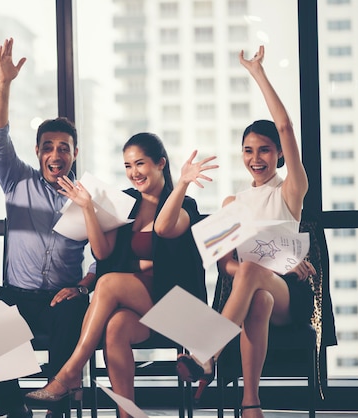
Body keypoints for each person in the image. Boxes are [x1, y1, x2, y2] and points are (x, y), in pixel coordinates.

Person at [25, 132, 218, 418]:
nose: (133, 173)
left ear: (160, 163)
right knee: (115, 328)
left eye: (140, 164)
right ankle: (127, 414)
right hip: (138, 309)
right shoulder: (125, 202)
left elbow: (164, 228)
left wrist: (184, 183)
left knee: (108, 282)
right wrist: (88, 208)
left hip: (176, 311)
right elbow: (103, 253)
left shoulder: (184, 206)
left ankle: (69, 373)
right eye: (128, 166)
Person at [176, 46, 316, 418]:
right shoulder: (230, 203)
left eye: (266, 151)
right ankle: (251, 403)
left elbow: (285, 127)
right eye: (249, 150)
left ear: (279, 155)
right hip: (260, 291)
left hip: (292, 297)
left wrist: (257, 73)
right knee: (256, 295)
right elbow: (227, 267)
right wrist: (273, 264)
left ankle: (206, 351)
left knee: (256, 274)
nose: (257, 158)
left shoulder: (290, 189)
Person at [0, 37, 94, 418]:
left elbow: (103, 256)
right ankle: (14, 413)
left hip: (61, 296)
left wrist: (82, 285)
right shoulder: (17, 180)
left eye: (64, 147)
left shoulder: (88, 196)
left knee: (72, 311)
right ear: (37, 152)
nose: (56, 154)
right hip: (18, 294)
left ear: (74, 153)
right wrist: (4, 82)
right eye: (48, 147)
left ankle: (56, 409)